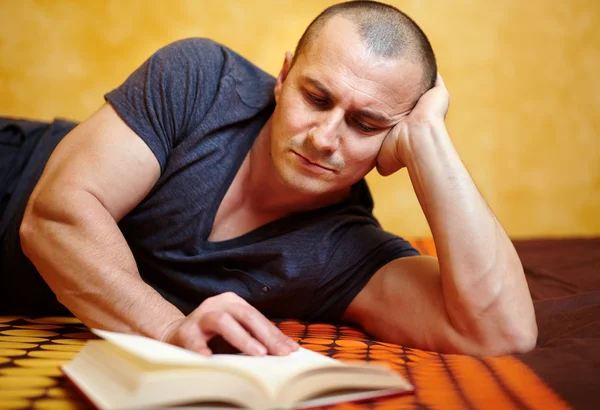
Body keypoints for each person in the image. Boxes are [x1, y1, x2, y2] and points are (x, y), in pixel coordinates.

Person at [0, 1, 537, 357]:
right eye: (317, 98)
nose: (325, 137)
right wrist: (167, 329)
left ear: (391, 144)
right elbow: (54, 217)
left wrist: (430, 141)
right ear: (283, 78)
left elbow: (501, 332)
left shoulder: (343, 252)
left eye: (365, 123)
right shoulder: (200, 79)